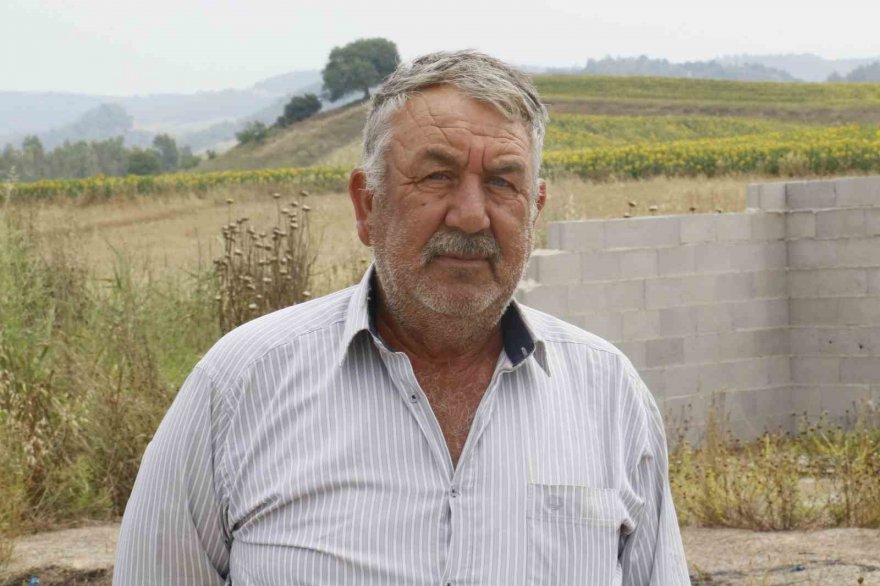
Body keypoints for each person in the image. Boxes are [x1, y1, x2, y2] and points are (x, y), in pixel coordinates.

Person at [114, 50, 691, 585]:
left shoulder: (609, 395)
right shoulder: (241, 385)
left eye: (502, 183)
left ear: (535, 208)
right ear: (367, 205)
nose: (471, 217)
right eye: (437, 177)